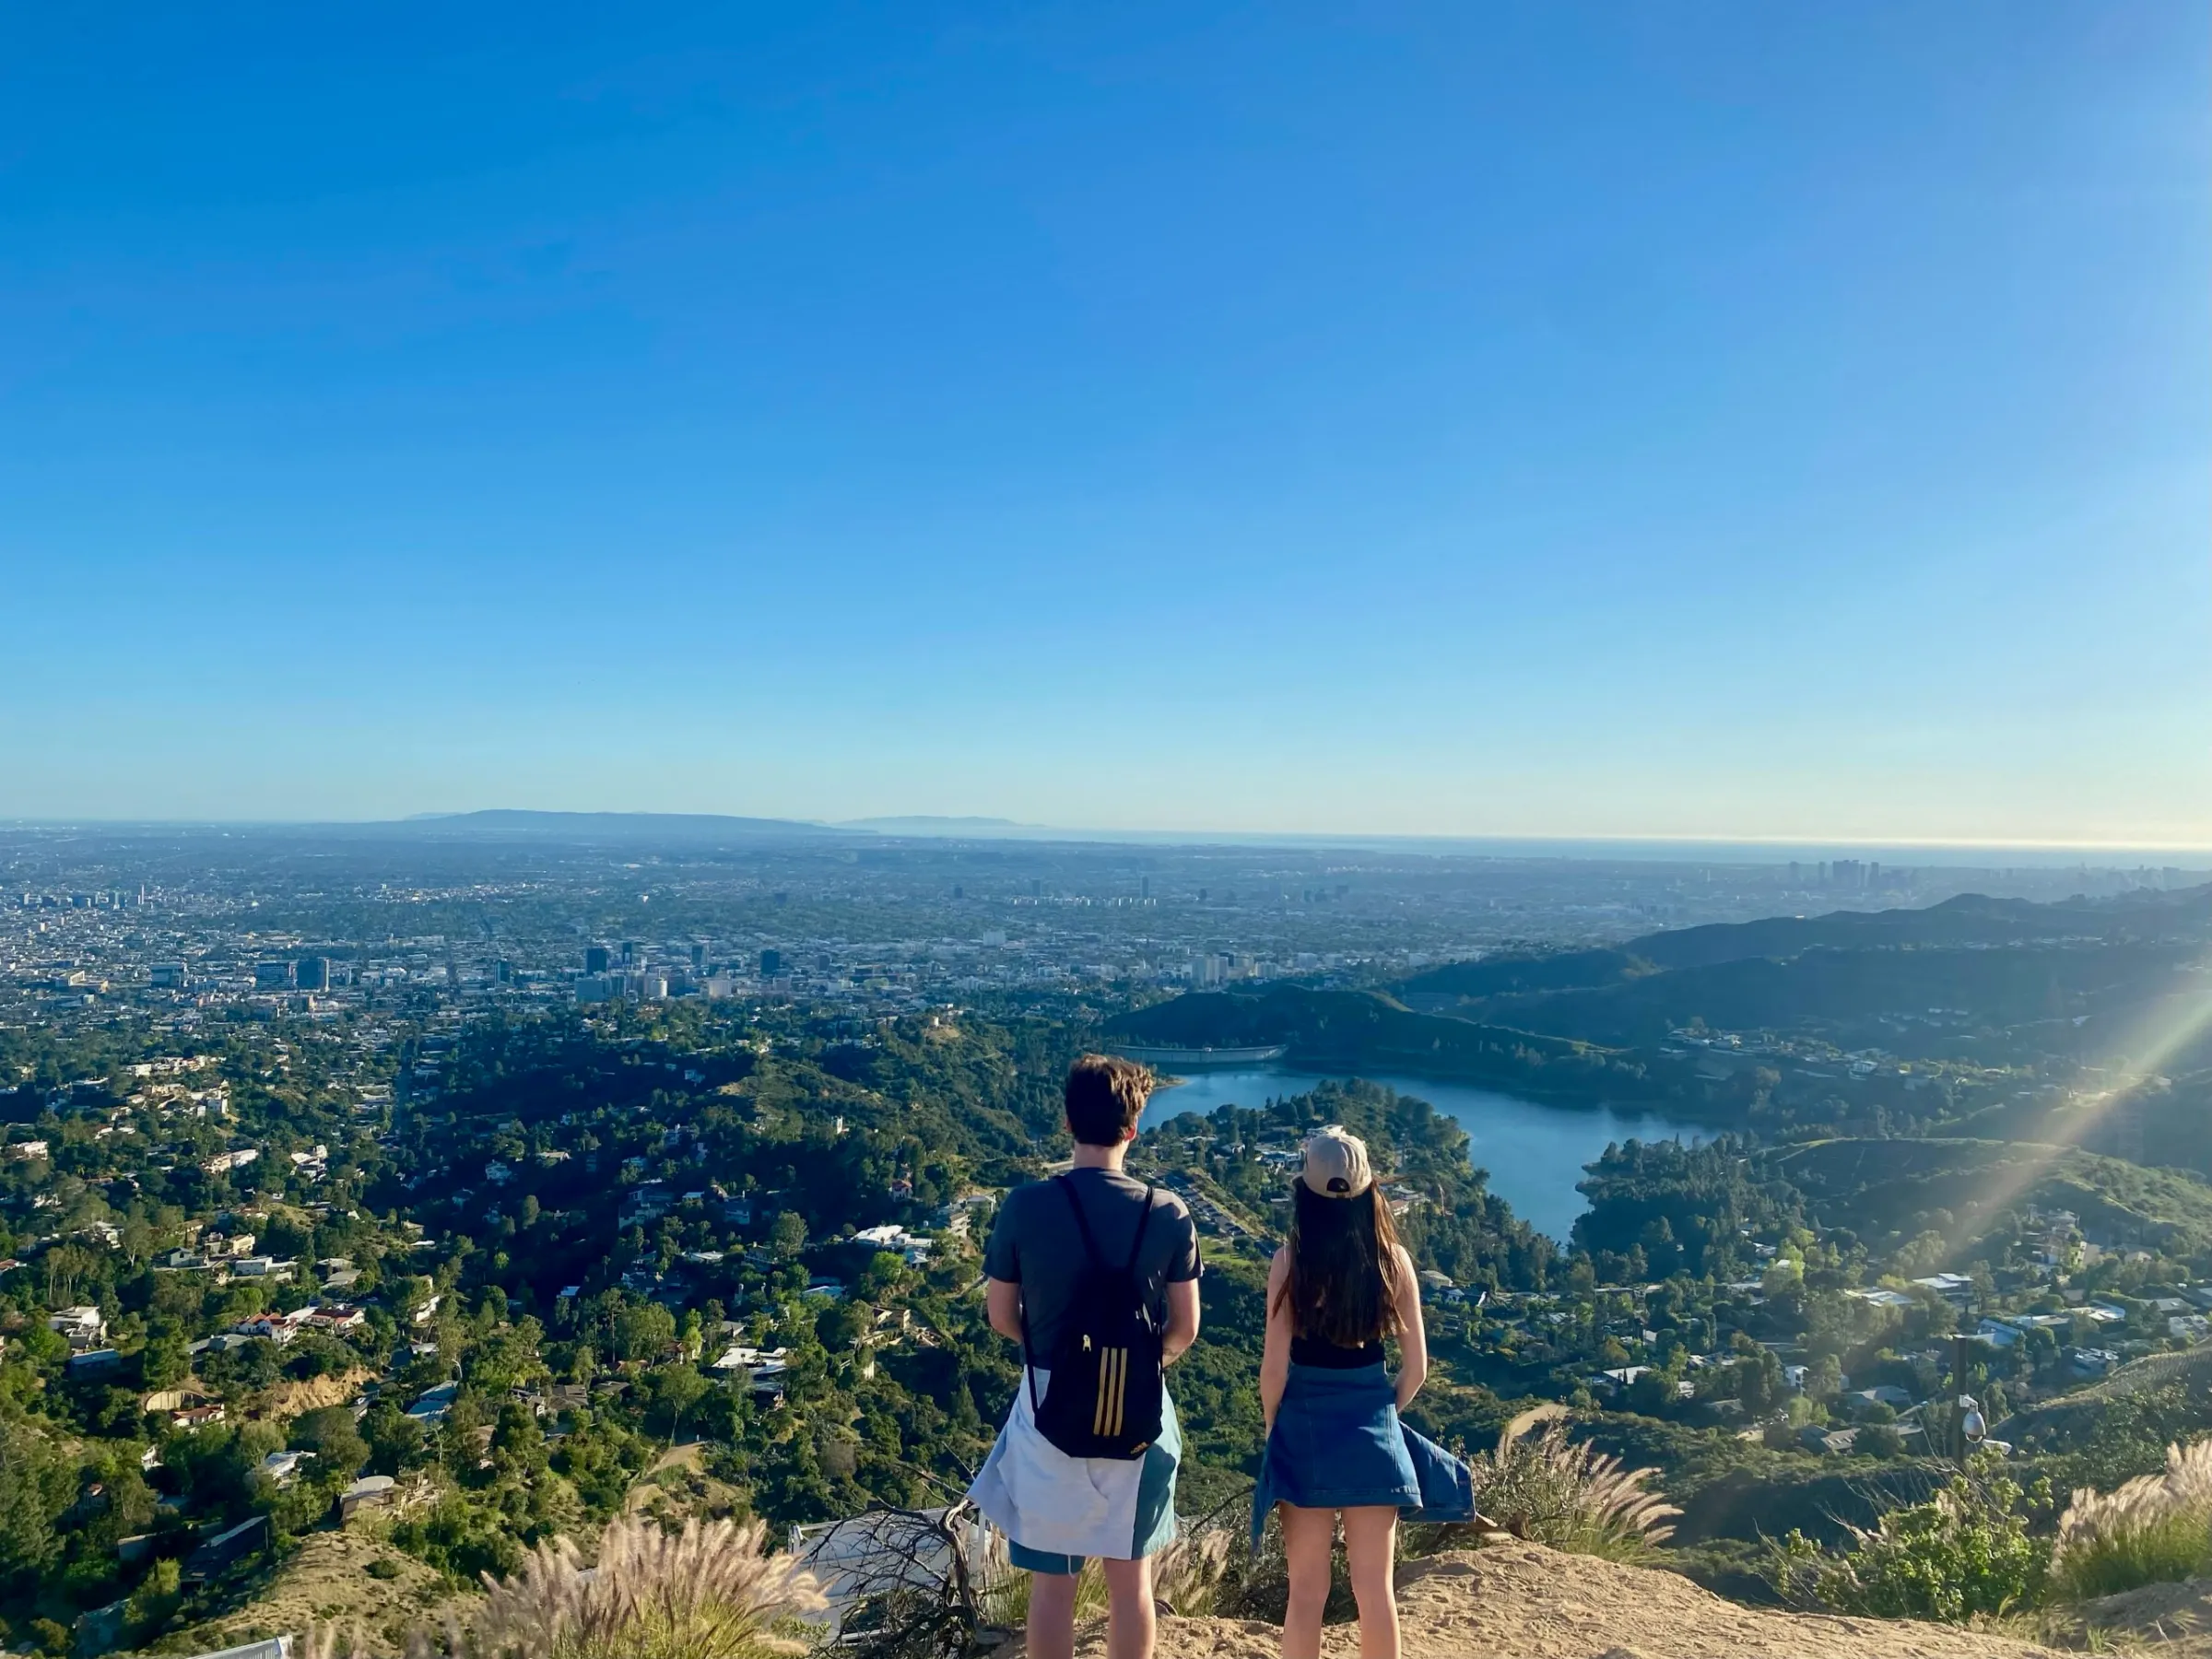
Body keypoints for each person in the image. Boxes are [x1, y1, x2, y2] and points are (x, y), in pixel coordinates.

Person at [969, 1054, 1202, 1659]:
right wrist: (1136, 1366)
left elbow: (999, 1315)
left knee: (1052, 1592)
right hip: (1141, 1418)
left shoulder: (1026, 1205)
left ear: (1068, 1122)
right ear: (1134, 1129)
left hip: (1050, 1411)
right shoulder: (1169, 1212)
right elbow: (1185, 1328)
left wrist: (1060, 1355)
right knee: (1133, 1590)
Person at [1256, 1125, 1432, 1659]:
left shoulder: (1290, 1261)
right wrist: (1377, 1413)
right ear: (1370, 1190)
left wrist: (1275, 1433)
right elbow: (1416, 1369)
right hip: (1371, 1439)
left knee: (1306, 1594)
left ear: (1303, 1192)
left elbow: (1274, 1369)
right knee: (1375, 1591)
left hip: (1304, 1432)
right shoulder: (1394, 1262)